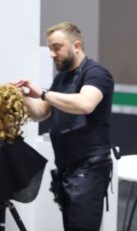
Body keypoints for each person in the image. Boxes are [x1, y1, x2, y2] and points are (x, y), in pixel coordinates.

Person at [14, 22, 114, 231]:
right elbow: (41, 112)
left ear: (76, 45)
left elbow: (85, 104)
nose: (52, 53)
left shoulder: (96, 73)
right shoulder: (61, 78)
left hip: (90, 169)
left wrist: (41, 92)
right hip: (67, 170)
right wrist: (22, 97)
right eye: (50, 48)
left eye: (57, 47)